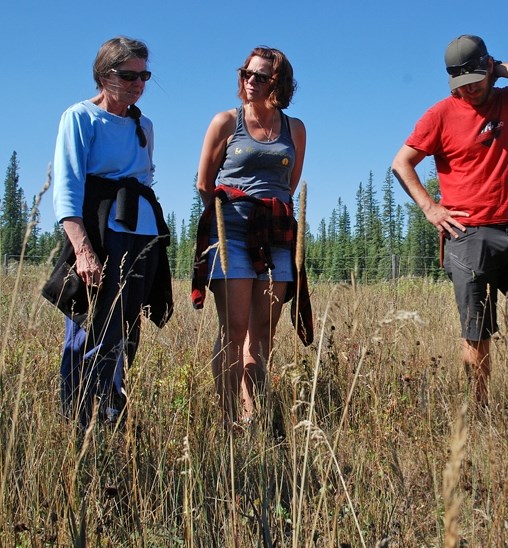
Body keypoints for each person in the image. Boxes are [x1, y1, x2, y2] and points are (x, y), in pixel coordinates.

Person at [392, 34, 508, 406]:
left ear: (488, 69)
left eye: (474, 81)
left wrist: (498, 69)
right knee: (477, 328)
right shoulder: (439, 114)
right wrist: (430, 209)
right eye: (460, 84)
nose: (468, 91)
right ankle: (480, 406)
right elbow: (401, 163)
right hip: (467, 235)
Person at [42, 36, 173, 427]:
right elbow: (67, 190)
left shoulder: (143, 125)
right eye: (128, 74)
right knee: (89, 327)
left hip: (141, 237)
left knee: (125, 328)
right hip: (100, 235)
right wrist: (83, 251)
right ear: (103, 75)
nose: (138, 83)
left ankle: (111, 414)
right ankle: (81, 420)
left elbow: (144, 181)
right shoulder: (80, 117)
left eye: (144, 75)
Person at [192, 46, 311, 425]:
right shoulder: (226, 122)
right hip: (232, 232)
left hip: (275, 234)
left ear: (279, 82)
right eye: (246, 73)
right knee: (234, 328)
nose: (251, 82)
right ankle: (228, 420)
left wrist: (269, 210)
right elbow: (203, 183)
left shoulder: (295, 129)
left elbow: (289, 185)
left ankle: (252, 414)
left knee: (262, 330)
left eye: (261, 76)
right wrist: (228, 218)